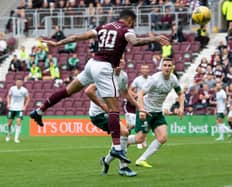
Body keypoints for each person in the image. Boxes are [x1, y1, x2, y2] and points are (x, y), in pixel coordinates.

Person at [30, 9, 169, 164]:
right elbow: (135, 42)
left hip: (92, 63)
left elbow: (78, 37)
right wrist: (154, 38)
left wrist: (58, 43)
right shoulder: (126, 30)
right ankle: (117, 148)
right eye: (134, 23)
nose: (134, 25)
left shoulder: (104, 27)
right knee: (114, 108)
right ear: (130, 20)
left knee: (68, 90)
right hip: (104, 68)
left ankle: (39, 110)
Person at [128, 58, 184, 168]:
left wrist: (181, 107)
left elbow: (181, 93)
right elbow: (140, 94)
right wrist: (142, 109)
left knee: (163, 137)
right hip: (146, 110)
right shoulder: (154, 79)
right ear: (161, 67)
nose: (167, 68)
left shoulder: (173, 79)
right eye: (165, 65)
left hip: (157, 112)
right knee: (140, 138)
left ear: (172, 67)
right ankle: (121, 141)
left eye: (169, 65)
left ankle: (141, 159)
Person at [86, 60, 138, 177]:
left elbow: (126, 93)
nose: (120, 62)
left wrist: (139, 106)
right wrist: (103, 105)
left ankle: (107, 161)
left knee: (122, 135)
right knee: (124, 132)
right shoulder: (104, 75)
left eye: (122, 59)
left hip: (111, 112)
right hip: (98, 114)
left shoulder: (123, 76)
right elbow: (89, 91)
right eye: (117, 60)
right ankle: (123, 168)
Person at [128, 64, 151, 149]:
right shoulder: (137, 80)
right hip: (140, 105)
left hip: (150, 105)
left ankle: (143, 139)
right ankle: (139, 141)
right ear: (141, 70)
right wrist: (136, 95)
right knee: (140, 122)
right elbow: (130, 90)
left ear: (148, 70)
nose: (145, 70)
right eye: (143, 69)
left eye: (146, 68)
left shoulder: (151, 79)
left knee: (147, 124)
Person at [6, 78, 30, 143]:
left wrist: (25, 106)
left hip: (20, 108)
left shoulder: (24, 90)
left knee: (18, 122)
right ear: (16, 82)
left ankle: (16, 138)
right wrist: (8, 104)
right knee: (9, 123)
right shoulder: (12, 88)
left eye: (20, 82)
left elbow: (28, 98)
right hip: (12, 108)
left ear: (22, 83)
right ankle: (8, 134)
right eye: (17, 82)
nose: (19, 83)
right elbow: (8, 96)